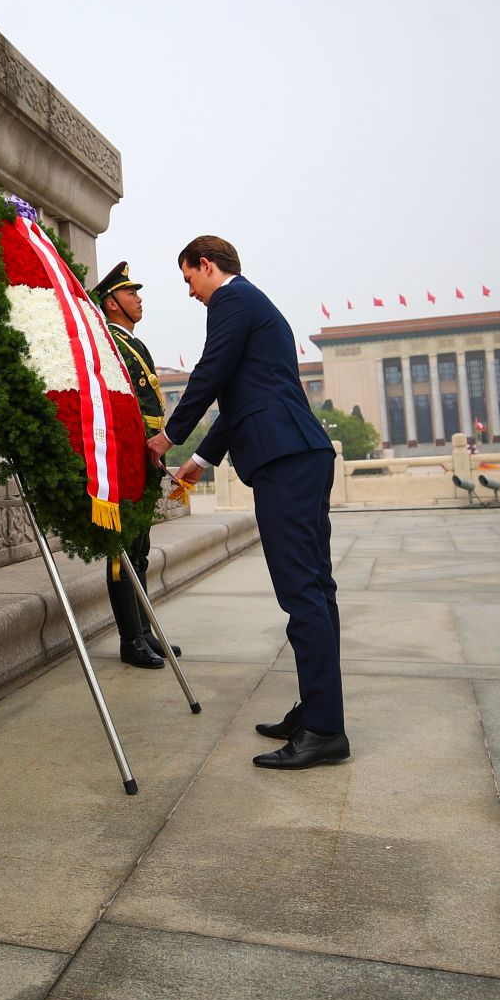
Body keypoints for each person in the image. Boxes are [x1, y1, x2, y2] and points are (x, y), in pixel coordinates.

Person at [148, 236, 346, 770]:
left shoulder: (232, 301)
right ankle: (318, 710)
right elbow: (241, 395)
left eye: (189, 278)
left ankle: (326, 730)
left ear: (208, 266)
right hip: (296, 455)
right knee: (315, 591)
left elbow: (211, 374)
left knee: (303, 593)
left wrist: (168, 438)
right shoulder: (253, 304)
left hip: (286, 460)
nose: (190, 292)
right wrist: (201, 461)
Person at [92, 260, 183, 669]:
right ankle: (131, 640)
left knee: (140, 550)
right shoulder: (111, 342)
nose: (138, 299)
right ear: (112, 303)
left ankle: (145, 632)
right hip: (125, 460)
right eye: (131, 293)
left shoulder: (131, 342)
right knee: (122, 553)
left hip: (144, 457)